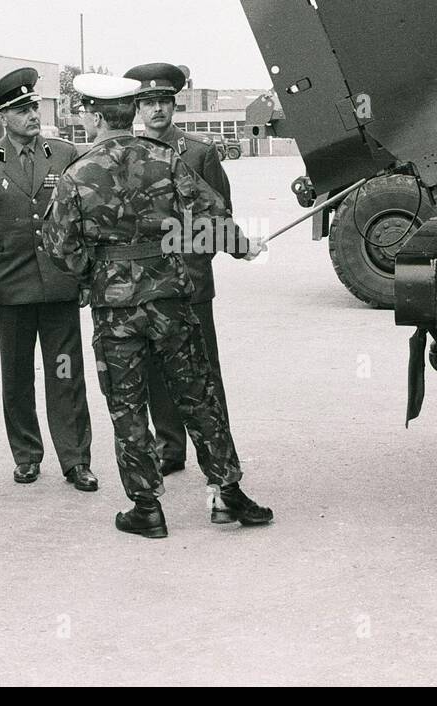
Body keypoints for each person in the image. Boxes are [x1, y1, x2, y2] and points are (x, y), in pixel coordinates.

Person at [46, 73, 273, 538]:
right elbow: (212, 215)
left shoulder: (77, 174)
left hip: (115, 310)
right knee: (198, 393)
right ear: (132, 112)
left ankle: (147, 509)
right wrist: (243, 245)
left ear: (93, 116)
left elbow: (59, 247)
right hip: (171, 297)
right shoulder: (167, 160)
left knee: (127, 404)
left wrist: (95, 271)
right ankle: (229, 492)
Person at [0, 68, 97, 490]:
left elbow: (83, 220)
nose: (32, 115)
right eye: (21, 110)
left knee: (65, 374)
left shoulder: (64, 153)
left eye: (34, 107)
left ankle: (75, 460)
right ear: (4, 117)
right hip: (9, 291)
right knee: (17, 377)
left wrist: (85, 276)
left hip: (58, 286)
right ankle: (26, 455)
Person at [124, 62, 232, 478]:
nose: (156, 110)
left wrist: (190, 258)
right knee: (156, 369)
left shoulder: (200, 153)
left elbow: (221, 219)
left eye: (163, 102)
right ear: (136, 108)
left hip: (190, 284)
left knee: (204, 370)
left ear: (175, 105)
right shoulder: (128, 157)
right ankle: (171, 448)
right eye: (148, 102)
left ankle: (218, 449)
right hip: (147, 286)